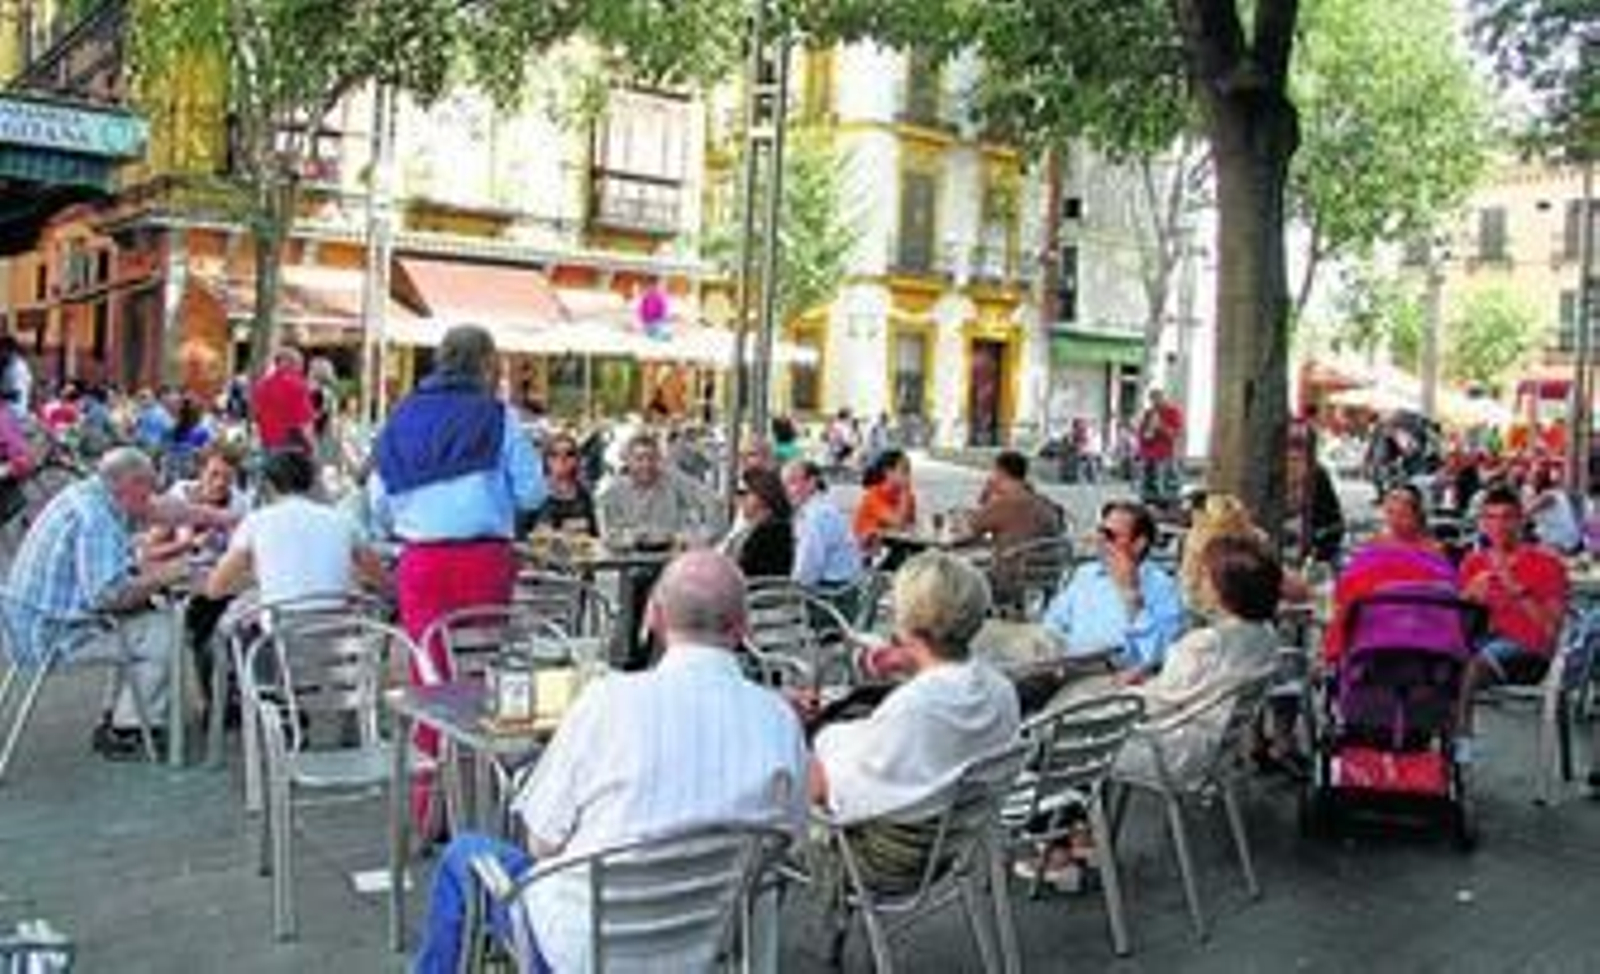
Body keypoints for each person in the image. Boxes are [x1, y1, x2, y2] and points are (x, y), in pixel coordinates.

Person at [415, 552, 808, 973]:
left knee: (464, 854)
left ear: (654, 618)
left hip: (582, 949)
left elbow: (541, 842)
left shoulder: (607, 701)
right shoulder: (778, 719)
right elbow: (788, 842)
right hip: (706, 946)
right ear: (744, 627)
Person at [369, 326, 547, 820]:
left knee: (431, 678)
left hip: (422, 562)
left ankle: (432, 808)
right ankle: (479, 798)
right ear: (487, 364)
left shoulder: (400, 418)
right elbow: (533, 492)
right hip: (485, 560)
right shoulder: (498, 417)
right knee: (483, 676)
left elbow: (377, 503)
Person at [3, 448, 232, 760]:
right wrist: (168, 573)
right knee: (166, 635)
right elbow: (108, 597)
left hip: (27, 622)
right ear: (132, 484)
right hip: (53, 637)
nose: (151, 498)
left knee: (145, 620)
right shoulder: (97, 518)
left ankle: (121, 713)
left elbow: (156, 510)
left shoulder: (90, 492)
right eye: (148, 489)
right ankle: (131, 729)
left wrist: (219, 517)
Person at [809, 551, 1020, 822]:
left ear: (908, 617)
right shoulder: (1000, 688)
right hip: (966, 836)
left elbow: (841, 793)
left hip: (887, 853)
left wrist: (812, 738)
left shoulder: (916, 704)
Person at [1457, 485, 1570, 740]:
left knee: (1467, 668)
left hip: (1529, 650)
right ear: (1482, 523)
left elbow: (1552, 631)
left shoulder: (1548, 564)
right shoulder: (1473, 562)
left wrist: (1516, 589)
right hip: (1481, 642)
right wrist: (1467, 597)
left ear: (1521, 520)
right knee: (1428, 662)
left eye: (1507, 517)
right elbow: (1455, 621)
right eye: (1491, 518)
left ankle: (1461, 741)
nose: (1499, 525)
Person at [207, 449, 384, 606]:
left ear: (269, 485)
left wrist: (262, 579)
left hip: (279, 636)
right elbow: (382, 581)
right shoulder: (344, 520)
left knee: (233, 619)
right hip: (339, 631)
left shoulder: (256, 522)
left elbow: (215, 588)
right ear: (312, 482)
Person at [1040, 500, 1185, 677]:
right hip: (1068, 668)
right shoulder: (1085, 574)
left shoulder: (1161, 586)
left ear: (1138, 544)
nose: (1100, 540)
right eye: (1100, 531)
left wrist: (1132, 595)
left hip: (1116, 680)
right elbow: (1053, 622)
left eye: (1109, 535)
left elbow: (1160, 653)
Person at [1323, 483, 1458, 664]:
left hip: (1388, 641)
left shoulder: (1433, 554)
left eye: (1402, 514)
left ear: (1417, 516)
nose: (1395, 520)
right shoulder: (1376, 549)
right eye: (1391, 513)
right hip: (1407, 642)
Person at [961, 450, 1063, 607]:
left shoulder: (1004, 504)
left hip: (1008, 584)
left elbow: (970, 528)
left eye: (993, 471)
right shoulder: (1044, 503)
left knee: (958, 575)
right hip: (1046, 583)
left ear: (1000, 472)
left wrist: (987, 491)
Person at [596, 431, 721, 545]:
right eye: (639, 459)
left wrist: (696, 536)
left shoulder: (674, 481)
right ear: (628, 460)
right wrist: (638, 537)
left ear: (659, 459)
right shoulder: (613, 491)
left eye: (651, 458)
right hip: (628, 564)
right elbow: (608, 535)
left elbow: (712, 501)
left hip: (672, 563)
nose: (646, 464)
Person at [783, 460, 863, 591]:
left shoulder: (816, 515)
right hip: (841, 589)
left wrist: (789, 593)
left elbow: (808, 569)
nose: (786, 491)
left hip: (830, 594)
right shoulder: (821, 507)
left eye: (792, 482)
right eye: (784, 484)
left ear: (811, 483)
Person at [724, 466, 796, 580]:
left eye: (744, 493)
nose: (738, 499)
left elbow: (745, 571)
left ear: (763, 495)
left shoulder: (771, 532)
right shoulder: (755, 525)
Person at [852, 448, 918, 563]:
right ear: (888, 472)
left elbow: (911, 527)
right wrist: (905, 490)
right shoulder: (873, 495)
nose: (908, 474)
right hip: (869, 553)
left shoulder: (908, 497)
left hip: (893, 547)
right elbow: (899, 523)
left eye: (909, 469)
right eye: (904, 470)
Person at [528, 430, 598, 537]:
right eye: (554, 453)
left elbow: (594, 533)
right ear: (546, 458)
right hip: (539, 552)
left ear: (576, 459)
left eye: (569, 453)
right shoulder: (533, 491)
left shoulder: (583, 492)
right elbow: (519, 536)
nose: (562, 458)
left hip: (577, 552)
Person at [251, 346, 316, 453]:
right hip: (292, 447)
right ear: (295, 364)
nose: (302, 369)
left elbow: (256, 414)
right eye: (301, 365)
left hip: (267, 444)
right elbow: (306, 422)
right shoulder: (299, 385)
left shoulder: (261, 385)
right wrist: (311, 447)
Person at [1136, 389, 1183, 505]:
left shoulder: (1173, 412)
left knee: (1163, 484)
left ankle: (1165, 505)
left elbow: (1175, 433)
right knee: (1146, 484)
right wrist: (1142, 436)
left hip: (1164, 454)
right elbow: (1141, 432)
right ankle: (1147, 504)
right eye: (1152, 400)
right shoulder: (1148, 413)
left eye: (1157, 399)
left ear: (1163, 398)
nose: (1155, 402)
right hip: (1147, 453)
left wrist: (1160, 426)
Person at [0, 334, 32, 413]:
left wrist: (2, 394)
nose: (0, 353)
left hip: (14, 410)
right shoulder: (7, 364)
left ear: (8, 350)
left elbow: (16, 394)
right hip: (8, 407)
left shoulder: (17, 367)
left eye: (1, 350)